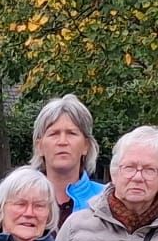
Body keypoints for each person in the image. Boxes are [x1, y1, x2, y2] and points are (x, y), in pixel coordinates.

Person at [31, 94, 105, 228]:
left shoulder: (106, 199)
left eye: (71, 133)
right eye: (54, 134)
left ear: (86, 146)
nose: (62, 142)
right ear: (39, 146)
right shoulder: (16, 198)